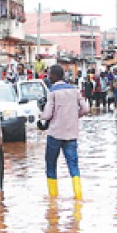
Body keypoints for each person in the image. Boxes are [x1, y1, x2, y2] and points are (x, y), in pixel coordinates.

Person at [39, 64, 89, 199]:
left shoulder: (52, 92)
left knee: (51, 165)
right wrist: (73, 116)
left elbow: (47, 114)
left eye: (49, 74)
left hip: (55, 134)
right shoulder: (74, 90)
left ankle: (53, 198)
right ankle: (78, 196)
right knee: (73, 166)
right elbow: (85, 109)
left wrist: (41, 116)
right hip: (71, 134)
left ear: (54, 76)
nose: (48, 77)